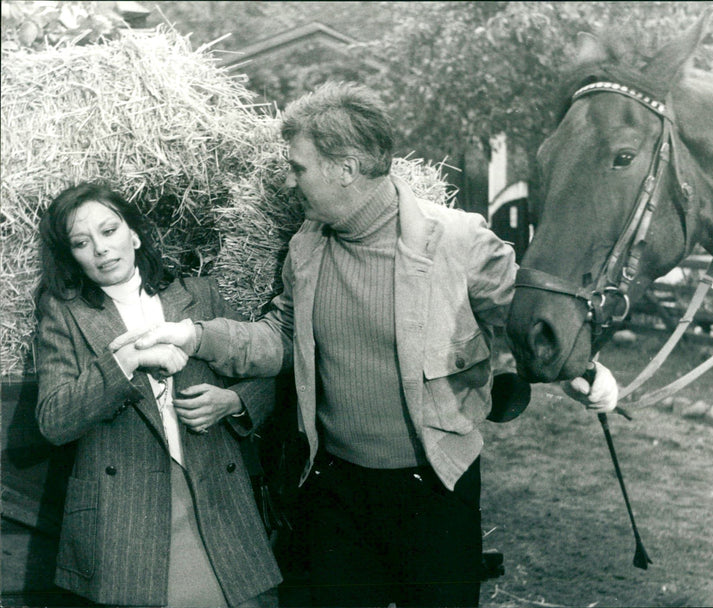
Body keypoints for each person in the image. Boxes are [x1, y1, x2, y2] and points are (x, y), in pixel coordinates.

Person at [113, 82, 619, 607]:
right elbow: (281, 338)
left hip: (436, 491)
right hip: (337, 493)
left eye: (299, 167)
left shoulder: (458, 241)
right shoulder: (306, 247)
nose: (290, 181)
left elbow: (533, 320)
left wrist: (585, 371)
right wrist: (194, 336)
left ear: (346, 169)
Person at [34, 182, 282, 607]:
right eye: (81, 242)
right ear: (70, 255)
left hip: (216, 499)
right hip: (125, 515)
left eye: (109, 231)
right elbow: (54, 420)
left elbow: (265, 373)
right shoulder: (64, 314)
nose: (101, 249)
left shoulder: (201, 293)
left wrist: (234, 403)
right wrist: (125, 360)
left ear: (134, 234)